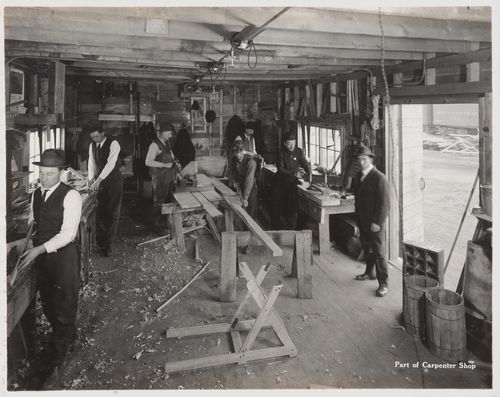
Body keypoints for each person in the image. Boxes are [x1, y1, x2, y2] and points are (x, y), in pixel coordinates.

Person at [20, 149, 82, 379]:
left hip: (63, 258)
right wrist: (28, 243)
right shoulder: (36, 194)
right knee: (48, 303)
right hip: (43, 258)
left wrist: (38, 249)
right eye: (42, 173)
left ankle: (58, 358)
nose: (44, 178)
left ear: (61, 172)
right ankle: (65, 337)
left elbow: (67, 234)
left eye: (49, 174)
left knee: (64, 303)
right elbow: (33, 223)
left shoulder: (71, 196)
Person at [353, 145, 391, 297]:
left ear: (370, 159)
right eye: (359, 160)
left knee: (379, 253)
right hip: (363, 221)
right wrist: (358, 219)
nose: (361, 162)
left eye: (364, 159)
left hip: (375, 223)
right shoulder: (358, 177)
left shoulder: (379, 178)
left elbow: (385, 204)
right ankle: (369, 273)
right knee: (367, 248)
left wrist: (377, 222)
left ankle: (384, 284)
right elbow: (358, 200)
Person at [88, 128, 122, 257]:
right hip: (99, 183)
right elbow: (91, 163)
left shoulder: (113, 143)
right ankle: (101, 242)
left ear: (103, 133)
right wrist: (91, 179)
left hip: (113, 182)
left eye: (96, 136)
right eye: (92, 137)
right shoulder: (92, 145)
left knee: (112, 212)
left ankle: (109, 246)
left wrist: (99, 180)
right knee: (101, 212)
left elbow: (110, 164)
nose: (94, 139)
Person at [271, 131, 311, 230]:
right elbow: (280, 168)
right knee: (277, 205)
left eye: (293, 143)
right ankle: (275, 228)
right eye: (289, 144)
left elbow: (304, 162)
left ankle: (290, 228)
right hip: (280, 182)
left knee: (291, 206)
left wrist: (308, 169)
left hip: (292, 183)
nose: (292, 146)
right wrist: (293, 173)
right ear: (285, 143)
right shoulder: (281, 152)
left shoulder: (299, 151)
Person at [230, 142, 258, 253]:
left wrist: (245, 198)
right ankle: (241, 240)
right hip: (239, 188)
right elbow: (230, 173)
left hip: (250, 190)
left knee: (250, 216)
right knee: (240, 214)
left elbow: (248, 181)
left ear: (244, 151)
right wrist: (233, 182)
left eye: (240, 152)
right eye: (236, 153)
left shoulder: (251, 162)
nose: (238, 155)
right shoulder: (234, 160)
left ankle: (249, 243)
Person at [145, 121, 178, 215]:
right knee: (159, 202)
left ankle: (166, 222)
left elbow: (172, 157)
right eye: (169, 133)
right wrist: (165, 165)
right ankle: (157, 224)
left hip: (168, 178)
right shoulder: (154, 145)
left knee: (168, 201)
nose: (171, 136)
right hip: (159, 179)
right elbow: (148, 162)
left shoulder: (167, 144)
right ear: (163, 132)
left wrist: (175, 162)